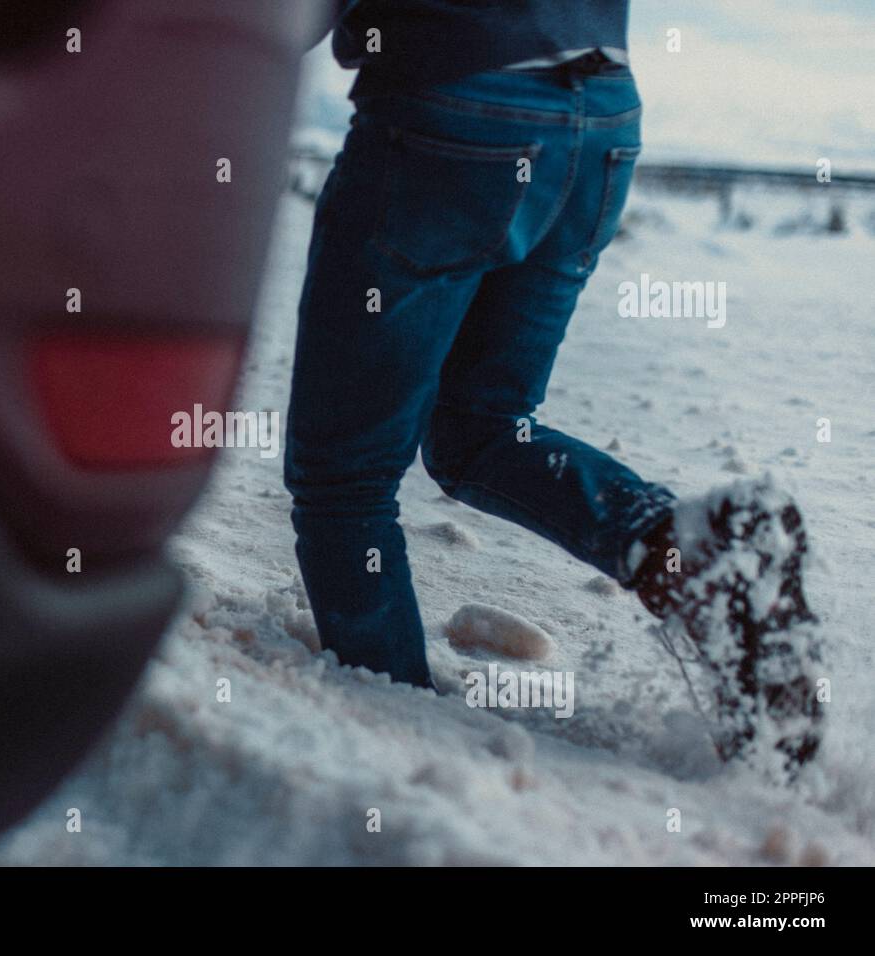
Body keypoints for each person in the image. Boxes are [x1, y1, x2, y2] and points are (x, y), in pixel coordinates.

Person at [285, 0, 824, 778]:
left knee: (344, 477)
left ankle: (395, 755)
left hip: (453, 108)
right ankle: (697, 559)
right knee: (483, 426)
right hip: (600, 113)